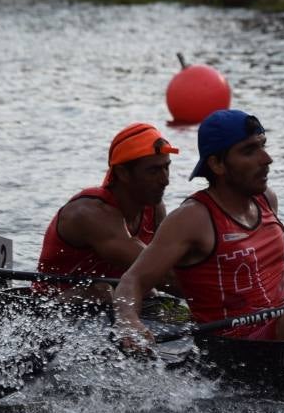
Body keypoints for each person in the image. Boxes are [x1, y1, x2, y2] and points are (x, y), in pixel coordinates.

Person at [113, 109, 284, 349]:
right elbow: (132, 281)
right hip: (236, 342)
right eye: (249, 151)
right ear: (217, 164)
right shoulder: (192, 218)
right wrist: (128, 321)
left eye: (263, 146)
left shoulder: (267, 199)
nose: (267, 159)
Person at [34, 122, 177, 304]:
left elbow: (172, 264)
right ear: (123, 173)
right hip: (48, 306)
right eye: (154, 170)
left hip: (109, 302)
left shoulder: (155, 209)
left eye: (166, 167)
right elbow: (163, 275)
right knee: (102, 291)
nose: (165, 180)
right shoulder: (90, 214)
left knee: (149, 293)